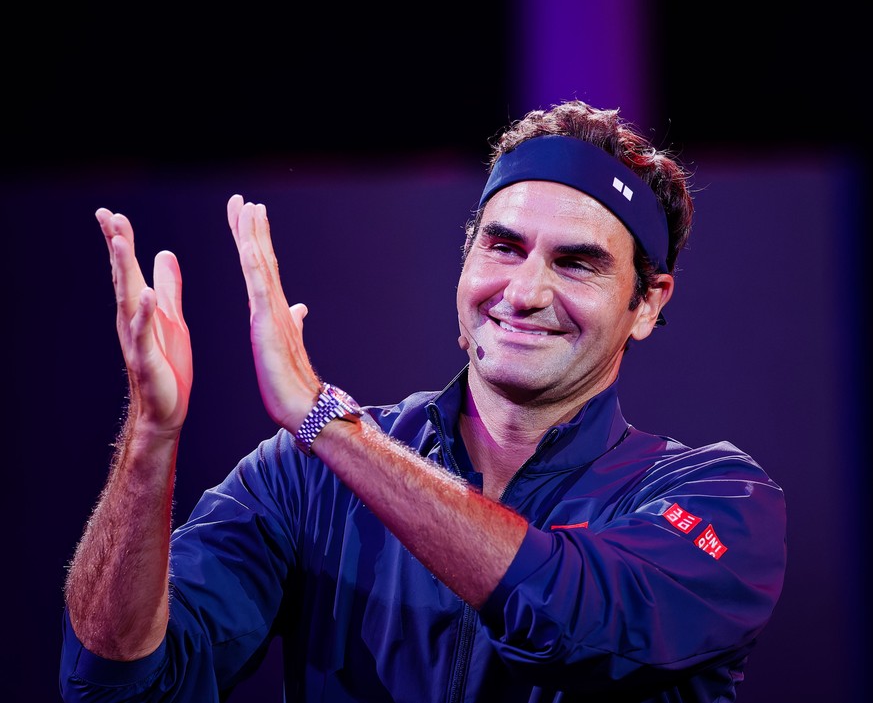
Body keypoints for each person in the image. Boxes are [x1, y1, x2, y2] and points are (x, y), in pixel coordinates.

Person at [59, 100, 786, 703]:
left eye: (575, 262)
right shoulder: (304, 475)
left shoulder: (721, 501)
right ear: (466, 255)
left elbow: (568, 621)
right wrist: (152, 438)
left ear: (647, 302)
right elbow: (117, 687)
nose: (524, 292)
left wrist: (326, 421)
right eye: (502, 246)